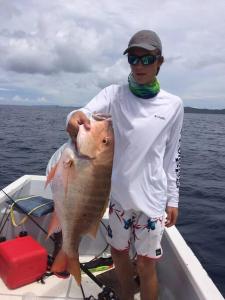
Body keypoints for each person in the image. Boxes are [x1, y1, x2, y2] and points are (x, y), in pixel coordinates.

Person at [66, 30, 184, 300]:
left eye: (147, 59)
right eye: (133, 58)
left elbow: (172, 154)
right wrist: (73, 119)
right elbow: (79, 113)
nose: (139, 65)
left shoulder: (174, 105)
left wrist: (173, 199)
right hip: (118, 198)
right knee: (118, 254)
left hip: (152, 200)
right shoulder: (114, 95)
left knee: (145, 264)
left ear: (160, 62)